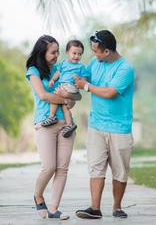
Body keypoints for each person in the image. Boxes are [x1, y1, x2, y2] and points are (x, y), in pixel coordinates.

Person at [74, 30, 134, 219]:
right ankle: (95, 208)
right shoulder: (95, 63)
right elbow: (84, 80)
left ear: (107, 51)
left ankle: (117, 207)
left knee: (120, 171)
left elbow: (109, 92)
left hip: (119, 128)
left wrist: (85, 86)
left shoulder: (125, 69)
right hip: (96, 125)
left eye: (96, 51)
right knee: (96, 167)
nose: (94, 54)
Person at [26, 35, 81, 220]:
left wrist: (69, 100)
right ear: (43, 52)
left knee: (62, 168)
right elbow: (43, 95)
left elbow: (74, 99)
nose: (57, 55)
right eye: (53, 52)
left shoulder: (62, 69)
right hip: (45, 123)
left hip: (66, 124)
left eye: (58, 51)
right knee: (48, 167)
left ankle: (53, 209)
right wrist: (66, 99)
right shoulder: (34, 71)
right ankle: (38, 195)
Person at [41, 39, 88, 138]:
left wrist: (79, 79)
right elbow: (57, 74)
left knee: (55, 96)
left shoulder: (81, 66)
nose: (76, 56)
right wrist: (52, 80)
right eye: (74, 53)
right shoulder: (63, 64)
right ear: (67, 53)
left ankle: (52, 116)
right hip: (65, 87)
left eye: (79, 54)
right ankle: (69, 123)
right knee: (64, 107)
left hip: (70, 86)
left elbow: (85, 78)